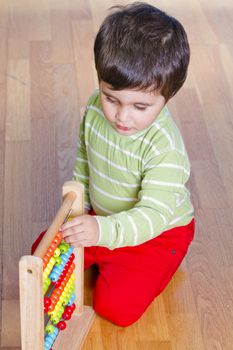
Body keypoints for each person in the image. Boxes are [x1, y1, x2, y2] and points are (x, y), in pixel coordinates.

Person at [32, 2, 194, 327]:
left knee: (115, 308)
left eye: (140, 106)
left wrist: (102, 232)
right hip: (103, 217)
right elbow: (86, 158)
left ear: (168, 96)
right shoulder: (94, 108)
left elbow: (154, 214)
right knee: (40, 258)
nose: (122, 116)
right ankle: (104, 252)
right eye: (111, 98)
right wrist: (79, 210)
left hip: (157, 232)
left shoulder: (164, 148)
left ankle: (147, 262)